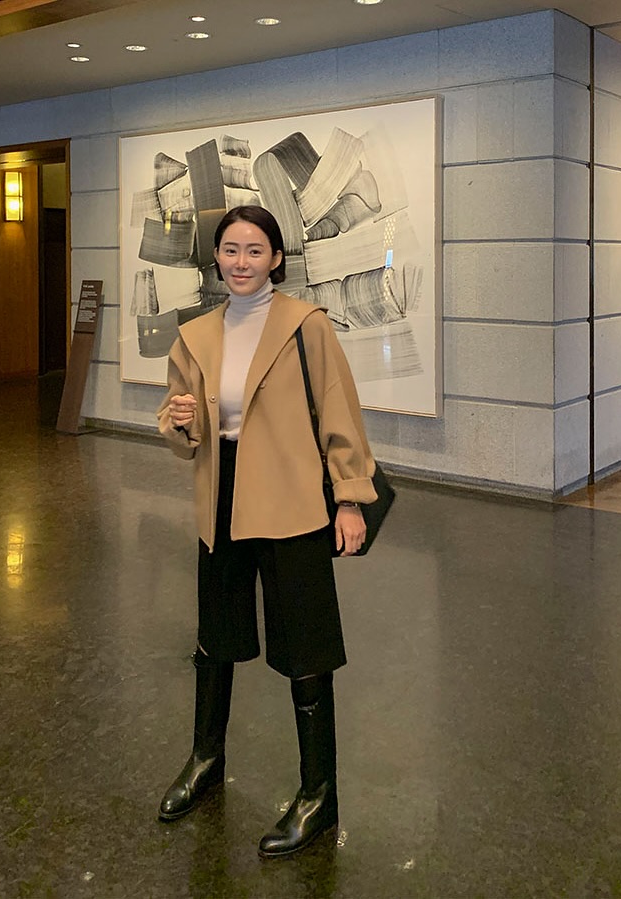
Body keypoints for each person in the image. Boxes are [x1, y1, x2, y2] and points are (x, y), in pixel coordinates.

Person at [156, 205, 378, 858]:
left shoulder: (305, 325)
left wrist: (350, 499)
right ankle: (206, 759)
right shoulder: (195, 335)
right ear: (216, 257)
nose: (241, 261)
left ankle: (319, 793)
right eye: (230, 249)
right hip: (221, 497)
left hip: (292, 500)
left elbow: (339, 411)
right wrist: (176, 422)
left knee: (305, 644)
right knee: (215, 637)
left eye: (255, 250)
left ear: (277, 258)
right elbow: (184, 431)